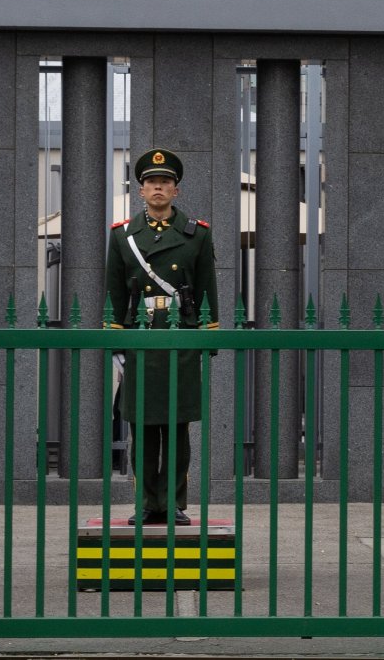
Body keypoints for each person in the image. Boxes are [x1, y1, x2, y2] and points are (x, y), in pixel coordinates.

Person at [105, 148, 219, 526]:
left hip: (179, 337)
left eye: (165, 182)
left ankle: (173, 502)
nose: (158, 188)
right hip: (140, 339)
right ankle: (146, 502)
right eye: (151, 182)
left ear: (176, 190)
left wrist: (207, 338)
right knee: (142, 426)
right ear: (141, 191)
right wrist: (116, 342)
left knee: (176, 428)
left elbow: (206, 288)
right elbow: (114, 293)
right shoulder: (123, 236)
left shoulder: (196, 234)